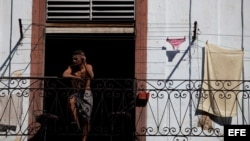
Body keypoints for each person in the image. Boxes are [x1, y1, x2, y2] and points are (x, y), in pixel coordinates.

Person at [62, 50, 94, 141]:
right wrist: (76, 77)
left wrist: (85, 62)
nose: (74, 61)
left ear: (82, 58)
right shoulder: (71, 67)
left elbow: (91, 76)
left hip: (87, 94)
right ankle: (76, 124)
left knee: (86, 119)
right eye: (73, 59)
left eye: (76, 59)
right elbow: (64, 74)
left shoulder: (88, 66)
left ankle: (84, 139)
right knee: (71, 100)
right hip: (77, 93)